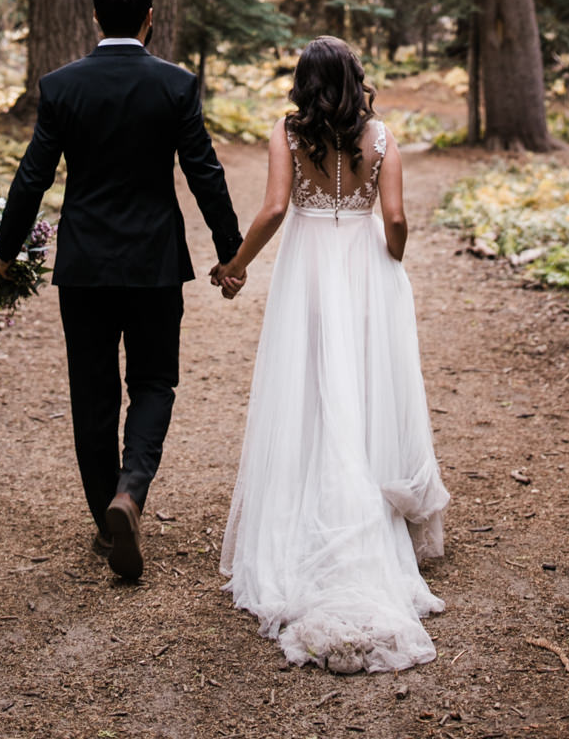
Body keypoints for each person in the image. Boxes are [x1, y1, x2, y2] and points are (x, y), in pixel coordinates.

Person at [0, 0, 242, 583]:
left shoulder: (62, 86)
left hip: (84, 266)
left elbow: (33, 176)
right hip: (156, 263)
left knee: (93, 392)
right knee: (155, 382)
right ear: (150, 18)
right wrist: (229, 250)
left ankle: (108, 522)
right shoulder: (176, 85)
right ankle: (131, 492)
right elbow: (203, 172)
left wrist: (5, 249)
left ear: (96, 17)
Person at [214, 35, 448, 674]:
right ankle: (367, 505)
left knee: (313, 382)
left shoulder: (288, 135)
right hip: (365, 269)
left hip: (310, 268)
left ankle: (307, 508)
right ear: (355, 78)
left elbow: (273, 209)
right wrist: (390, 255)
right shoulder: (379, 137)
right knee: (366, 382)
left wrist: (235, 265)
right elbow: (395, 219)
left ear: (303, 82)